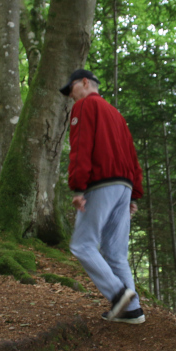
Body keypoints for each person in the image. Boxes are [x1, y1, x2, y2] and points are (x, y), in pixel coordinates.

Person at [60, 68, 145, 324]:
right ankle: (133, 310)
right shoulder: (116, 115)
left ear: (84, 83)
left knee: (82, 244)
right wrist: (133, 196)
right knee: (115, 252)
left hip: (100, 184)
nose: (70, 97)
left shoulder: (85, 107)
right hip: (124, 187)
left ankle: (119, 295)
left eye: (71, 89)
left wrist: (78, 187)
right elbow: (132, 156)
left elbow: (80, 147)